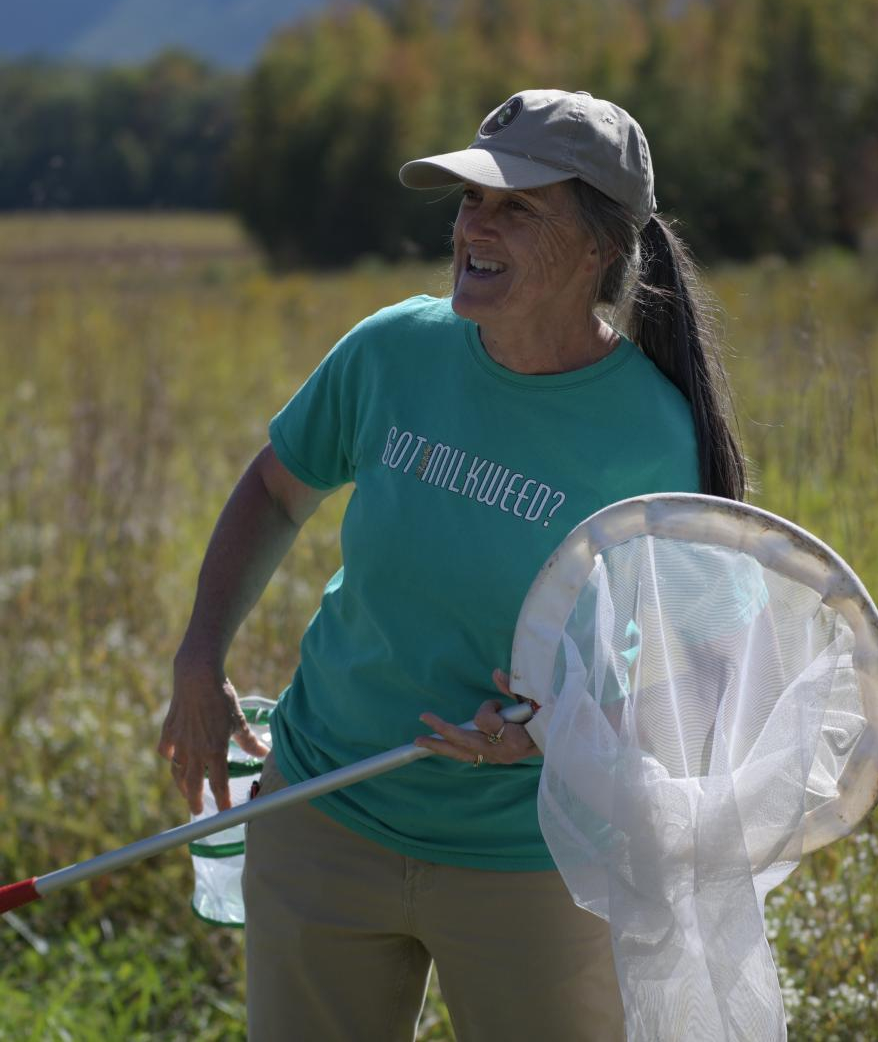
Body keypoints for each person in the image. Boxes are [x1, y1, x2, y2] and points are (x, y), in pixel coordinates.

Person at [156, 88, 746, 1040]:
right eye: (471, 198)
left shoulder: (652, 438)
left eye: (517, 206)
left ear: (598, 247)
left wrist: (554, 732)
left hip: (532, 855)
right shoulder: (395, 349)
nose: (476, 222)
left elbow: (702, 663)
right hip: (323, 810)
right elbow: (275, 488)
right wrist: (199, 656)